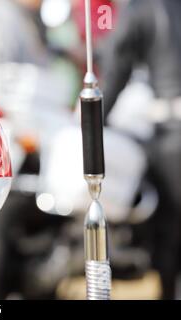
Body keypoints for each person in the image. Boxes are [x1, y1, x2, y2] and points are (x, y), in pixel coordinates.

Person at [100, 0, 181, 299]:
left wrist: (92, 126)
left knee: (171, 234)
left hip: (173, 136)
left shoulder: (145, 7)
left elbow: (116, 66)